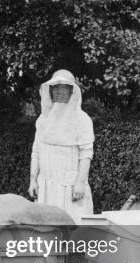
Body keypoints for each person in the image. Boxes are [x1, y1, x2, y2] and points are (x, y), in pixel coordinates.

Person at [28, 69, 94, 222]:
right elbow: (36, 151)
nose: (59, 91)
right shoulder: (43, 119)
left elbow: (86, 154)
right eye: (55, 87)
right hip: (46, 187)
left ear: (72, 90)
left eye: (63, 87)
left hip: (70, 187)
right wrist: (33, 180)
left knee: (74, 233)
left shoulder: (82, 120)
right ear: (49, 90)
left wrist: (80, 183)